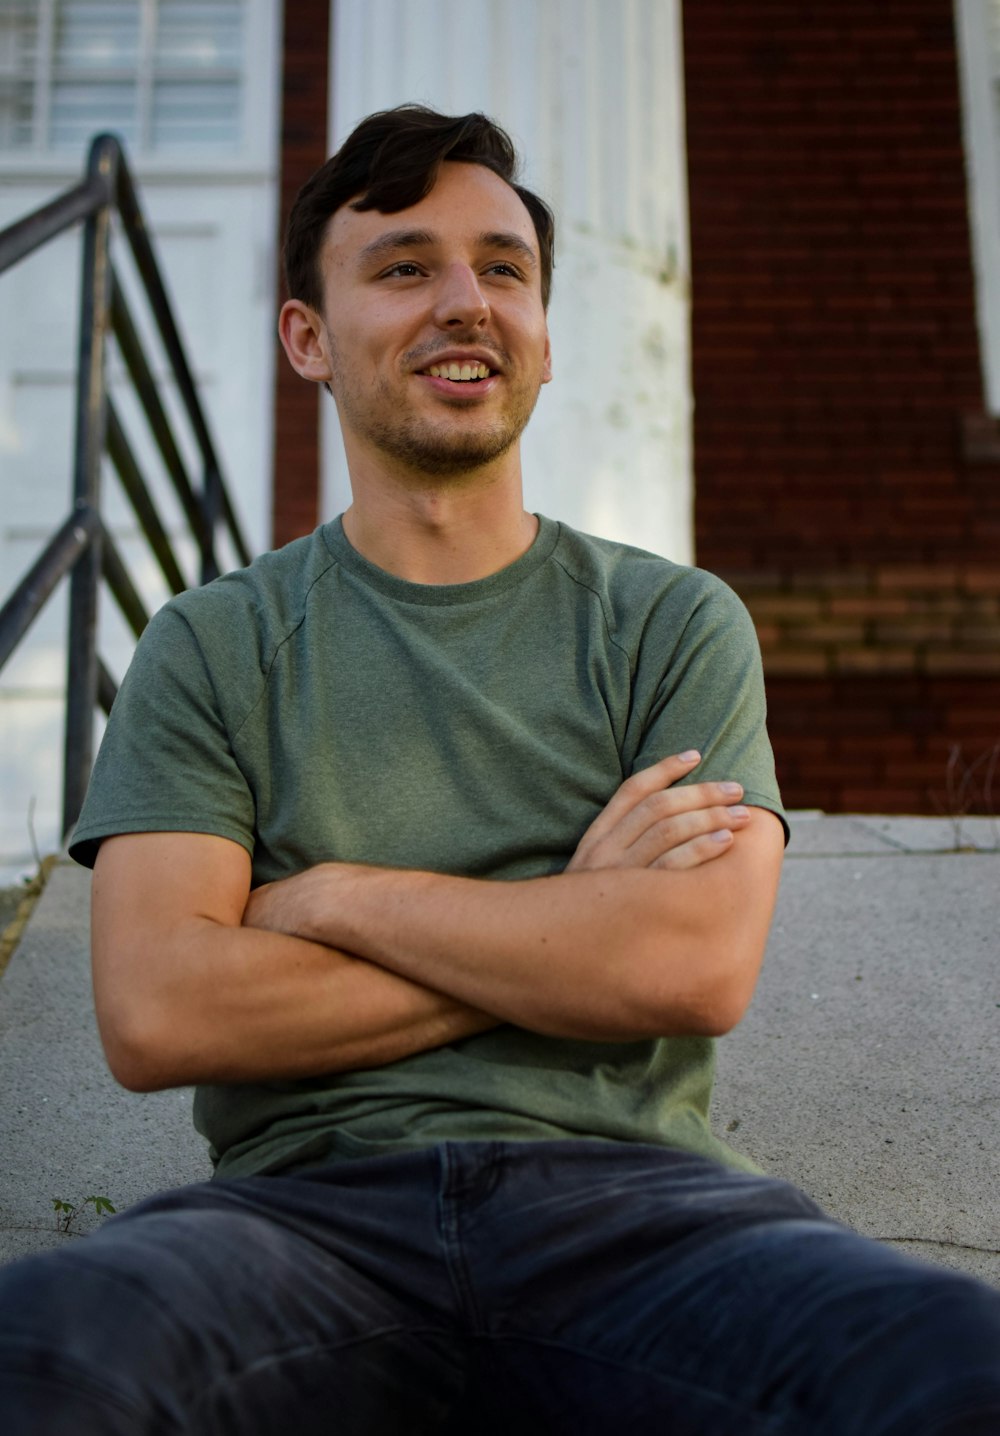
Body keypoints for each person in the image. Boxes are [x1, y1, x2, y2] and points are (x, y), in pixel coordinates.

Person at [0, 105, 997, 1434]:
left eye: (504, 268)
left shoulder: (669, 623)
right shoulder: (214, 643)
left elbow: (688, 968)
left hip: (649, 1216)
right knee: (46, 1355)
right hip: (298, 1225)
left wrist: (332, 897)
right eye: (405, 267)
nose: (466, 301)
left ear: (541, 332)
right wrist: (568, 918)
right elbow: (161, 1011)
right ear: (308, 336)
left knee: (955, 1367)